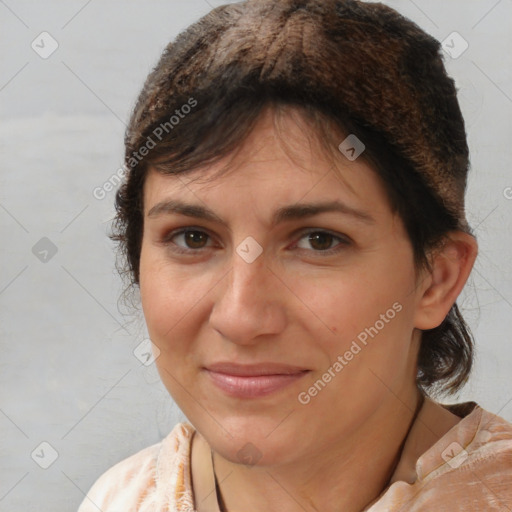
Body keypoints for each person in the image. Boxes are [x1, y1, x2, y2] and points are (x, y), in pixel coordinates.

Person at [77, 0, 512, 510]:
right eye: (193, 238)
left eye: (318, 240)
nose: (241, 318)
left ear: (436, 278)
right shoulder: (119, 499)